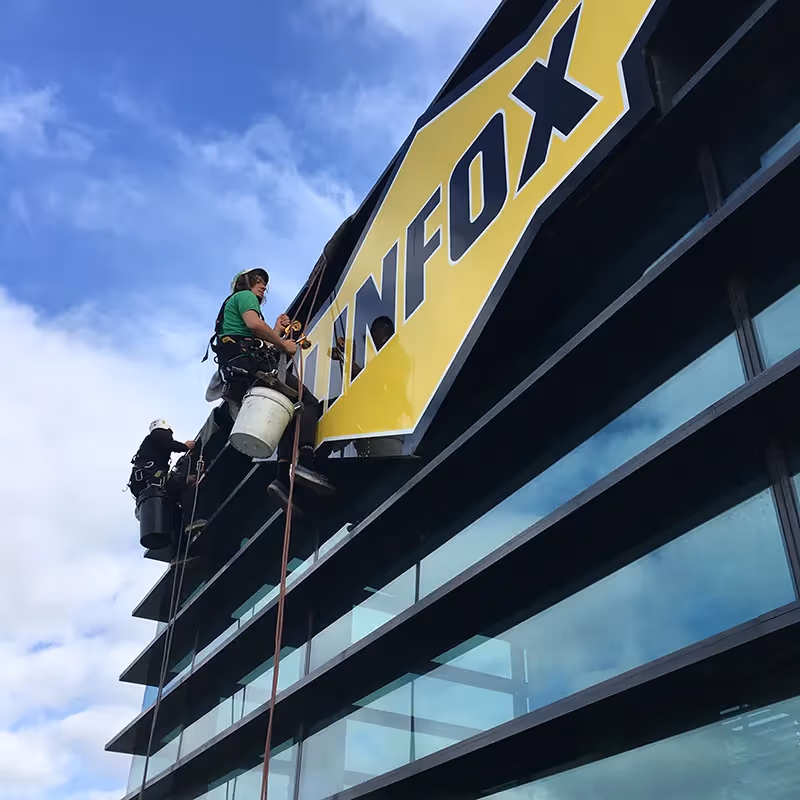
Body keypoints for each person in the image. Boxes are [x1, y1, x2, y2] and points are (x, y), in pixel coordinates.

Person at [208, 267, 333, 512]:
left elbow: (260, 339)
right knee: (307, 402)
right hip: (251, 367)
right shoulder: (244, 297)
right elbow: (254, 325)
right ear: (246, 283)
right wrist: (284, 343)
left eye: (264, 282)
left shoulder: (232, 312)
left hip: (242, 372)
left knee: (287, 414)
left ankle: (282, 480)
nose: (263, 285)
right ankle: (305, 462)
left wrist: (276, 330)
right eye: (258, 281)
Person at [129, 420, 195, 502]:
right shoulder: (158, 434)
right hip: (151, 478)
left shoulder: (149, 444)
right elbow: (167, 443)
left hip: (142, 483)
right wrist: (185, 447)